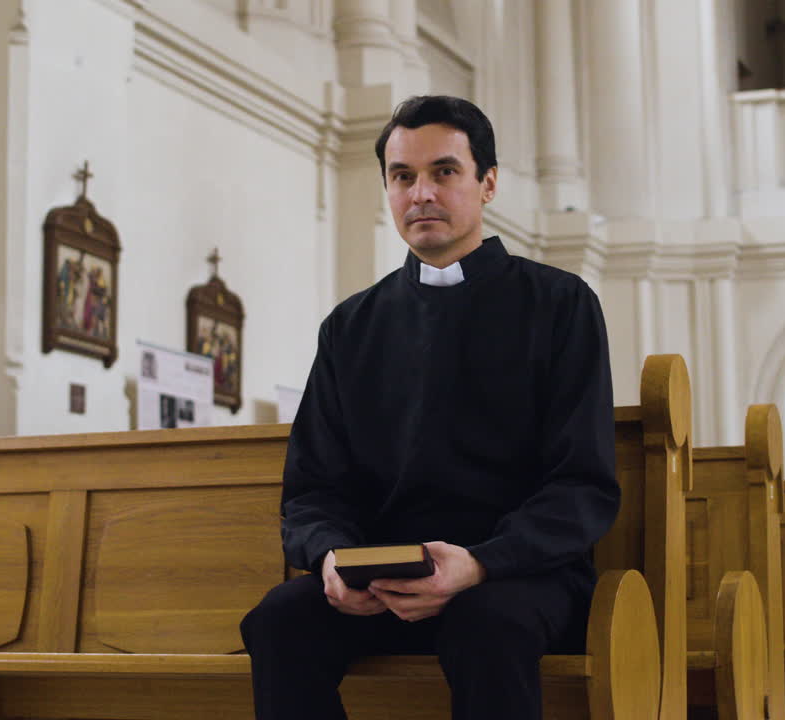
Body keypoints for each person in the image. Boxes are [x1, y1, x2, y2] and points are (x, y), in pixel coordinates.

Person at [240, 95, 619, 720]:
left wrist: (479, 564)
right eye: (402, 176)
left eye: (444, 171)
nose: (421, 193)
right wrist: (332, 560)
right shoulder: (350, 327)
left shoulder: (560, 306)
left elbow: (583, 483)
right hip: (385, 585)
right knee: (279, 621)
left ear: (487, 182)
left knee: (487, 627)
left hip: (520, 577)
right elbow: (312, 490)